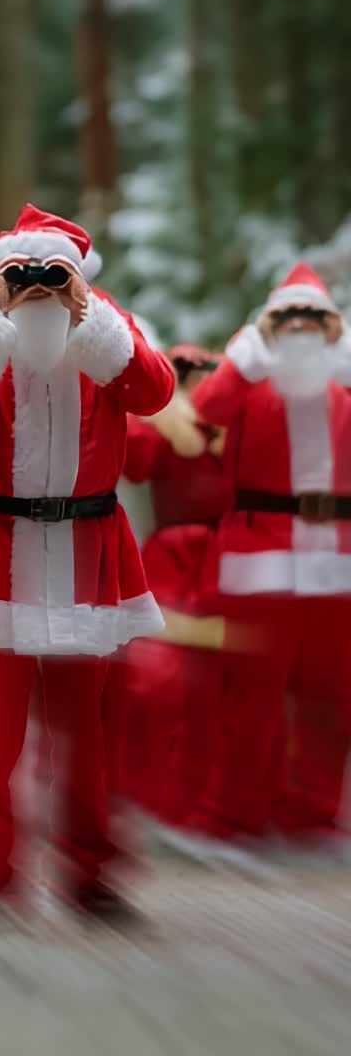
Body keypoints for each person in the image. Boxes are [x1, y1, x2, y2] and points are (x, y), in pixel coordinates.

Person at [0, 203, 174, 912]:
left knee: (84, 729)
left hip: (87, 547)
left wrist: (90, 314)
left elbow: (155, 393)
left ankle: (90, 872)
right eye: (22, 273)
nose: (39, 285)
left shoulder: (104, 324)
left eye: (53, 274)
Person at [191, 262, 351, 848]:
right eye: (288, 316)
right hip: (261, 550)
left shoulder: (345, 388)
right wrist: (247, 353)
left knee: (331, 690)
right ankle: (234, 812)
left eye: (313, 316)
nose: (301, 326)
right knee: (250, 690)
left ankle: (312, 812)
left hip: (337, 552)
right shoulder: (248, 383)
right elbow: (206, 408)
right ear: (269, 327)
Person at [117, 345, 233, 838]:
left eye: (204, 371)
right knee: (162, 681)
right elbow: (132, 463)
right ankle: (162, 795)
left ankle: (215, 799)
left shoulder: (240, 426)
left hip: (230, 558)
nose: (195, 380)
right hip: (173, 561)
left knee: (227, 684)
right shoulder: (155, 429)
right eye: (183, 371)